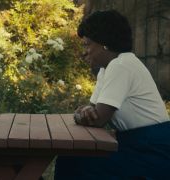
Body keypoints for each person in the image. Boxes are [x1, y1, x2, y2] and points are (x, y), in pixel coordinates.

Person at [55, 10, 170, 179]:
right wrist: (84, 113)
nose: (84, 52)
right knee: (73, 159)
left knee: (75, 162)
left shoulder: (121, 65)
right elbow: (92, 110)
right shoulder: (107, 68)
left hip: (153, 150)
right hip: (136, 144)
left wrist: (81, 115)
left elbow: (97, 119)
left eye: (87, 45)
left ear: (105, 44)